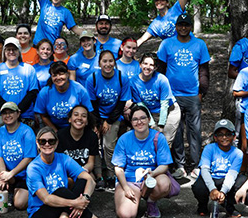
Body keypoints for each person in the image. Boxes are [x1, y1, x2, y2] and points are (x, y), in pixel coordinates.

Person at [26, 126, 127, 218]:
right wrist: (75, 203)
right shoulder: (33, 167)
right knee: (62, 191)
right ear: (37, 143)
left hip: (67, 215)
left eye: (51, 141)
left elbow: (90, 180)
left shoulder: (63, 158)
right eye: (43, 141)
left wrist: (84, 198)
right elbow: (46, 199)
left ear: (57, 143)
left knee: (83, 180)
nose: (47, 144)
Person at [157, 13, 210, 178]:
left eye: (187, 25)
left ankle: (195, 165)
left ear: (190, 27)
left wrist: (202, 92)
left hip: (193, 95)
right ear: (176, 26)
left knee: (194, 131)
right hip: (172, 96)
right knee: (176, 131)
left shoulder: (199, 44)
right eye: (181, 25)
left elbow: (204, 71)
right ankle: (179, 165)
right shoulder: (166, 44)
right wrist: (162, 94)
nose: (183, 28)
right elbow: (160, 70)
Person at [112, 105, 176, 218]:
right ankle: (131, 197)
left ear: (149, 119)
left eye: (143, 118)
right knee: (126, 216)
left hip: (151, 178)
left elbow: (164, 165)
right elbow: (118, 168)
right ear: (131, 122)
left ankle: (151, 201)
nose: (139, 122)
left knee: (164, 183)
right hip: (129, 180)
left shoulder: (158, 138)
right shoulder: (124, 139)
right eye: (135, 119)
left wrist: (152, 174)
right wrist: (125, 187)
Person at [87, 50, 131, 184]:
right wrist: (98, 123)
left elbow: (121, 103)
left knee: (108, 144)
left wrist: (108, 121)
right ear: (99, 63)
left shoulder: (121, 78)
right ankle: (99, 174)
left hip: (114, 116)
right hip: (96, 116)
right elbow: (92, 104)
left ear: (115, 62)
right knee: (95, 141)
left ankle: (112, 173)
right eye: (104, 61)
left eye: (110, 61)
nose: (108, 64)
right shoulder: (92, 78)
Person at [192, 119, 244, 218]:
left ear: (234, 136)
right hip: (212, 177)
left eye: (228, 134)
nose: (224, 137)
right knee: (198, 187)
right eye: (220, 134)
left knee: (242, 181)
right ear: (215, 137)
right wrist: (212, 189)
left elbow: (232, 175)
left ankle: (228, 205)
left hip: (226, 179)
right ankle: (202, 205)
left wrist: (223, 191)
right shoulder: (209, 148)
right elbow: (204, 170)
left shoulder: (238, 153)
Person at [0, 102, 37, 210]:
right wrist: (3, 176)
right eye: (4, 113)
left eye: (11, 112)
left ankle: (34, 193)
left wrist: (11, 174)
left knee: (19, 204)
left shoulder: (27, 131)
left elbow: (28, 158)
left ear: (18, 113)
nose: (8, 116)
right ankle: (10, 189)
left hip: (25, 174)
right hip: (9, 172)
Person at [128, 53, 180, 146]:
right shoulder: (133, 81)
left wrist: (160, 125)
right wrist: (151, 123)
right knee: (150, 141)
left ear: (155, 68)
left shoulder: (161, 79)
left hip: (169, 110)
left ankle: (164, 160)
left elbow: (164, 105)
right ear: (140, 65)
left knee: (165, 141)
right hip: (150, 112)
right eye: (145, 64)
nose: (147, 67)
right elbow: (141, 105)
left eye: (151, 65)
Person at [0, 37, 39, 129]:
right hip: (0, 114)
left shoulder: (29, 69)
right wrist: (7, 111)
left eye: (14, 49)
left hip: (24, 114)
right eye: (8, 49)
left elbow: (33, 92)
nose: (11, 52)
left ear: (19, 51)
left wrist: (18, 110)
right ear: (4, 51)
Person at [35, 61, 92, 130]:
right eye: (55, 75)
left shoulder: (79, 89)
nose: (58, 78)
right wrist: (56, 132)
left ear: (67, 74)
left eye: (61, 74)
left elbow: (88, 112)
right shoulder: (45, 92)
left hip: (76, 127)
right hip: (53, 127)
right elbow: (43, 115)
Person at [56, 105, 99, 184]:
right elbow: (58, 162)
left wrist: (82, 171)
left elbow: (91, 162)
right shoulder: (60, 135)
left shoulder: (92, 136)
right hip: (65, 171)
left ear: (87, 122)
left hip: (84, 170)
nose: (79, 118)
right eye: (76, 115)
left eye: (84, 116)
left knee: (89, 180)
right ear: (69, 119)